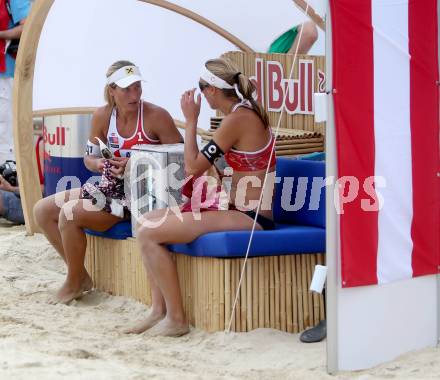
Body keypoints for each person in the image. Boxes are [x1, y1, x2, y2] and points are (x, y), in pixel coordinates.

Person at [126, 57, 276, 337]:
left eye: (201, 87)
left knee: (149, 233)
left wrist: (191, 121)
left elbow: (193, 166)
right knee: (145, 221)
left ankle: (176, 319)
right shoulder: (242, 114)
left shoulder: (239, 119)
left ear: (212, 91)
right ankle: (158, 311)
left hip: (251, 217)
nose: (199, 94)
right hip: (238, 210)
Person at [33, 60, 182, 304]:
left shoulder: (157, 116)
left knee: (69, 213)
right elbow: (89, 157)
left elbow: (179, 162)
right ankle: (79, 276)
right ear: (112, 90)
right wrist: (98, 164)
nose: (135, 94)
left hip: (143, 194)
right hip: (110, 188)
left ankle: (73, 282)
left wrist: (135, 163)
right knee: (41, 210)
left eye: (137, 87)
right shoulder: (102, 115)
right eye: (127, 89)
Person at [0, 0, 31, 163]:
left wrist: (2, 34)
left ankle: (8, 179)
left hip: (7, 72)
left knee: (6, 130)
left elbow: (28, 26)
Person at [0, 135, 43, 224]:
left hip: (41, 206)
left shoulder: (46, 144)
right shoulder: (41, 141)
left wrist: (12, 189)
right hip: (31, 196)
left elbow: (48, 191)